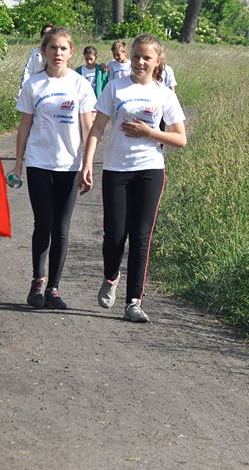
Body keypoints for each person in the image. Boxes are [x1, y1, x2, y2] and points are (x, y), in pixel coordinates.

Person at [80, 33, 187, 323]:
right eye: (137, 56)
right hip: (116, 168)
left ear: (158, 62)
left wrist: (150, 133)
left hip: (150, 169)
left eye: (147, 58)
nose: (140, 62)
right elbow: (97, 129)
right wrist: (87, 163)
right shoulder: (115, 87)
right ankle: (111, 275)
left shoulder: (164, 93)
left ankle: (134, 302)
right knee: (115, 235)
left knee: (141, 236)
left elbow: (180, 138)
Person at [8, 27, 96, 309]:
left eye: (63, 49)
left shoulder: (80, 84)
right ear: (43, 52)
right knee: (42, 223)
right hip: (39, 163)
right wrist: (19, 164)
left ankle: (54, 289)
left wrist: (87, 164)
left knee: (61, 227)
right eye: (52, 48)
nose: (58, 53)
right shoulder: (34, 85)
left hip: (69, 165)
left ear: (71, 53)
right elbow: (24, 127)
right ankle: (38, 281)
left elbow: (87, 127)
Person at [18, 23, 55, 94]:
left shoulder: (58, 53)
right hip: (36, 88)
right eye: (44, 33)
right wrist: (23, 89)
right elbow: (28, 70)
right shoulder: (35, 52)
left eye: (49, 33)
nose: (46, 35)